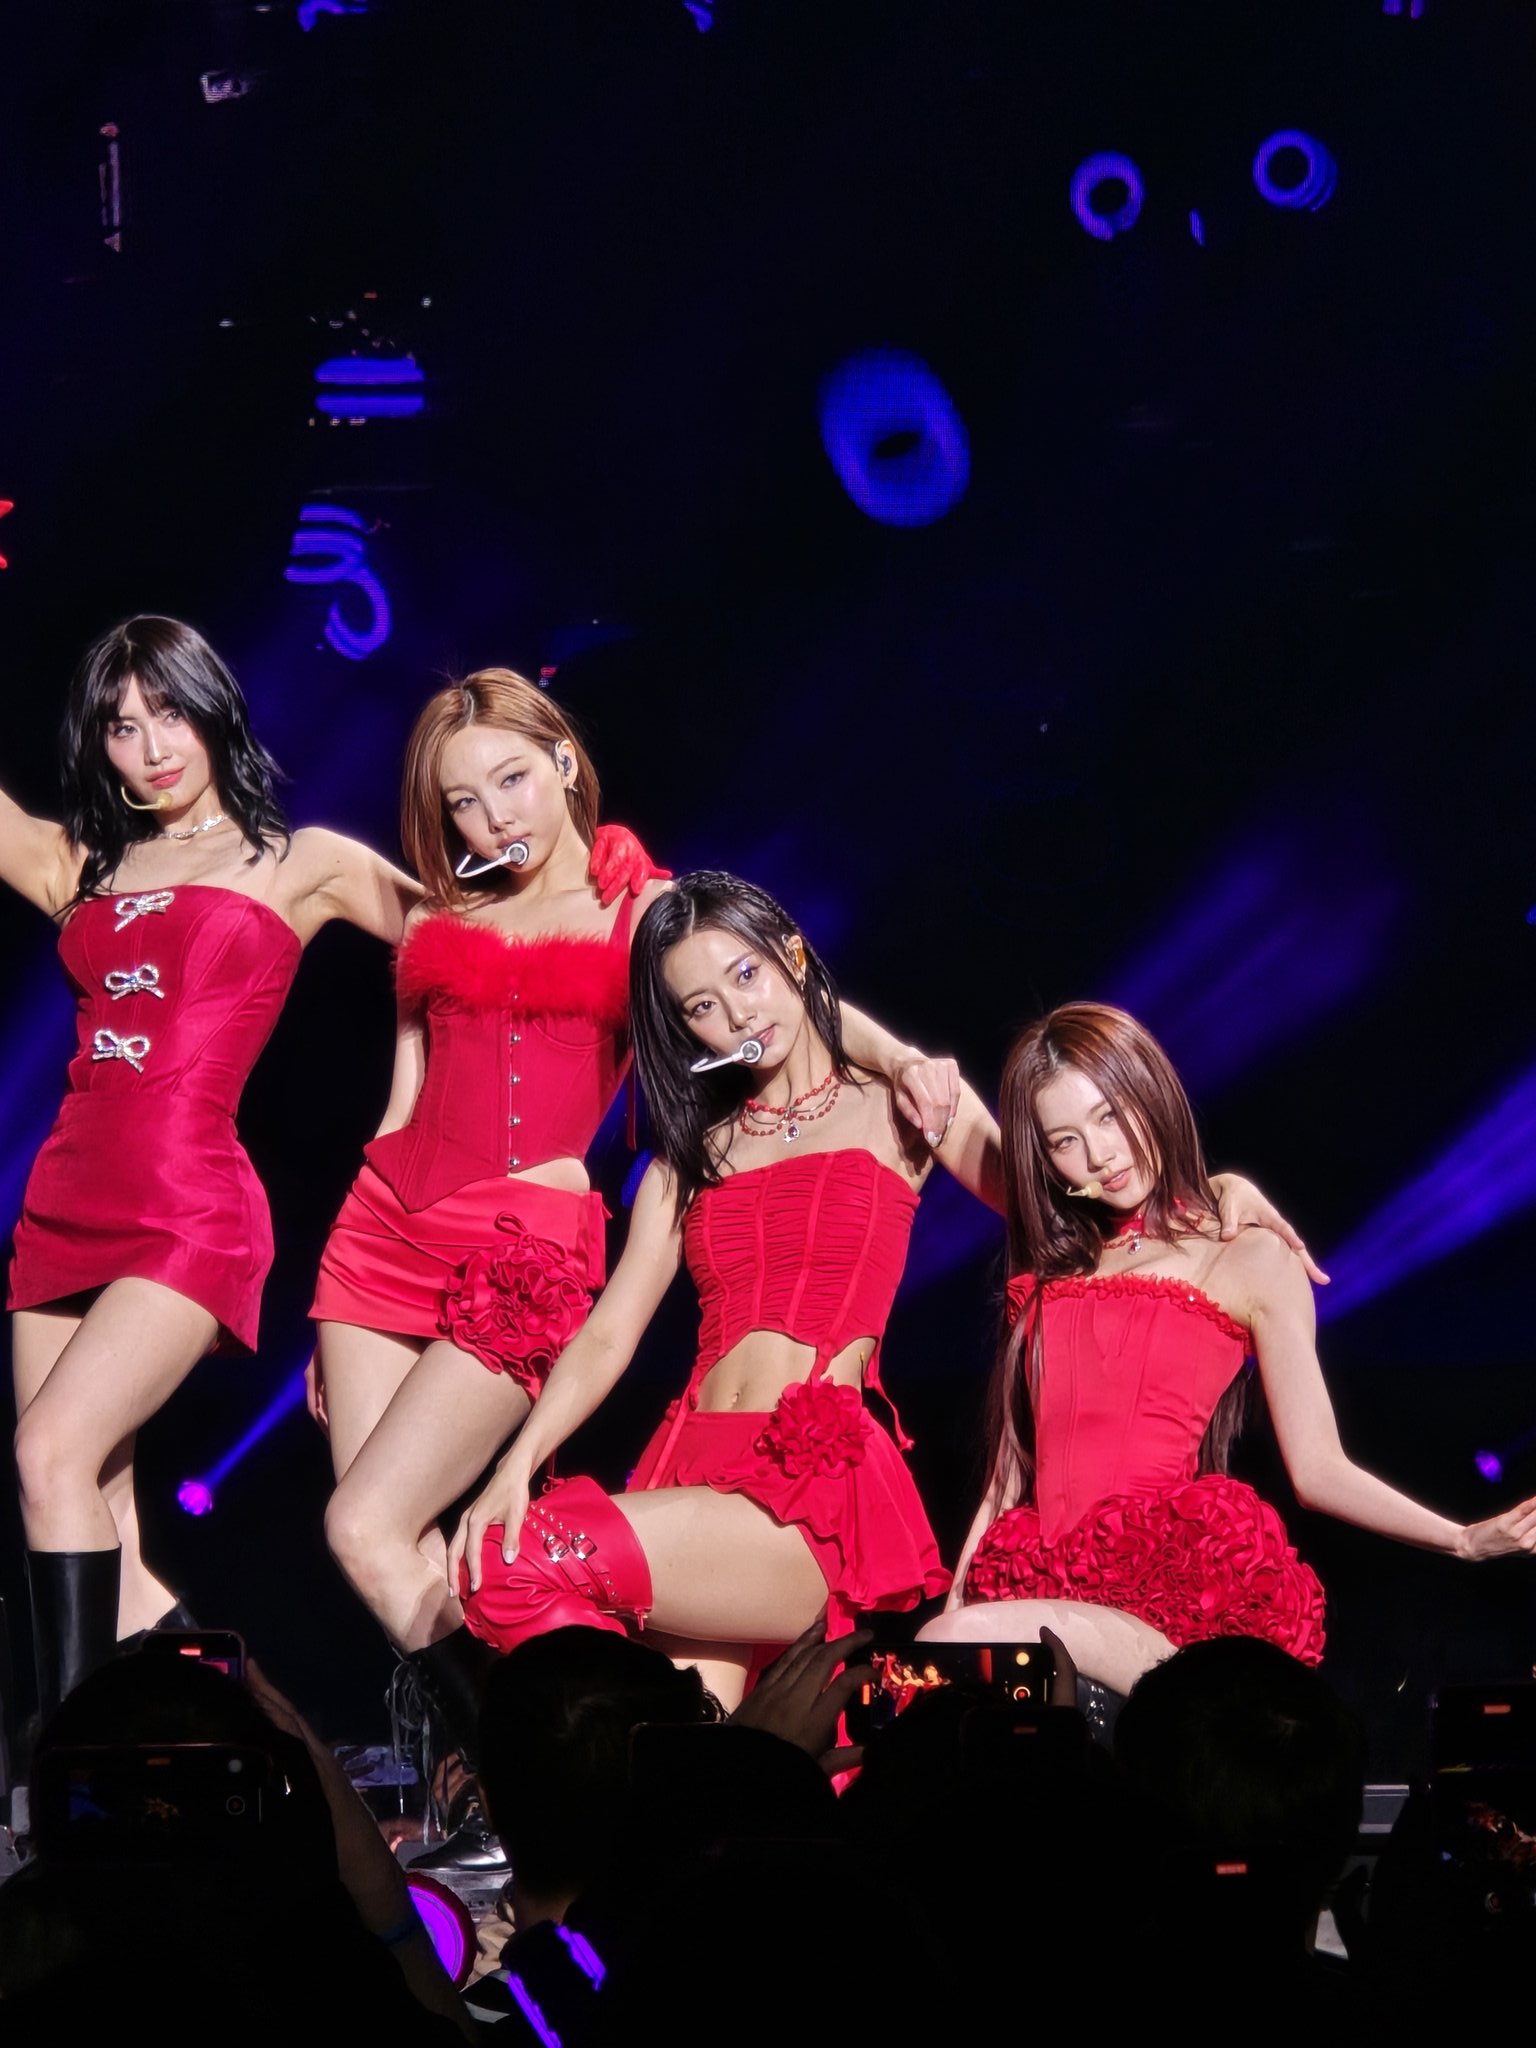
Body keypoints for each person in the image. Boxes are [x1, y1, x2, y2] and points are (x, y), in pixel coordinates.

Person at [447, 877, 1304, 1709]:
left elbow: (1056, 1195)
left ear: (792, 955)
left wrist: (1206, 1194)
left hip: (804, 1490)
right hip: (690, 1465)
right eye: (702, 1005)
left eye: (746, 974)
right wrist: (516, 1463)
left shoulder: (901, 1108)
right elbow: (608, 1335)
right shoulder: (688, 1159)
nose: (737, 1013)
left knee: (517, 1559)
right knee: (694, 1768)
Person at [308, 697, 954, 1783]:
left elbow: (760, 985)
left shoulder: (641, 907)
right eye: (461, 801)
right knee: (375, 1544)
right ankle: (505, 1792)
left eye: (511, 780)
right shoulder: (438, 917)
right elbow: (398, 1109)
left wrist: (900, 1060)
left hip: (520, 1244)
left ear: (565, 762)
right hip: (380, 1233)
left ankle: (525, 1788)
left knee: (384, 1525)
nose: (490, 818)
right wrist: (333, 1292)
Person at [1, 615, 429, 1725]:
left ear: (213, 710)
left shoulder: (297, 861)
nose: (151, 748)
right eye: (121, 726)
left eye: (169, 714)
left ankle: (65, 1762)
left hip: (188, 1200)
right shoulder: (77, 864)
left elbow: (464, 946)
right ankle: (282, 1767)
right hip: (62, 1199)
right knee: (100, 1524)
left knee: (48, 1450)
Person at [917, 1001, 1536, 1702]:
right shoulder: (1055, 1267)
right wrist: (958, 1601)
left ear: (1150, 1091)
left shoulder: (1248, 1256)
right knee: (939, 1665)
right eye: (1065, 1140)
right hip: (1034, 1580)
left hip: (1161, 1597)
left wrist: (1460, 1540)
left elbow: (1318, 1469)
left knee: (955, 1643)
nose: (1100, 1155)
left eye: (1110, 1115)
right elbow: (1008, 1478)